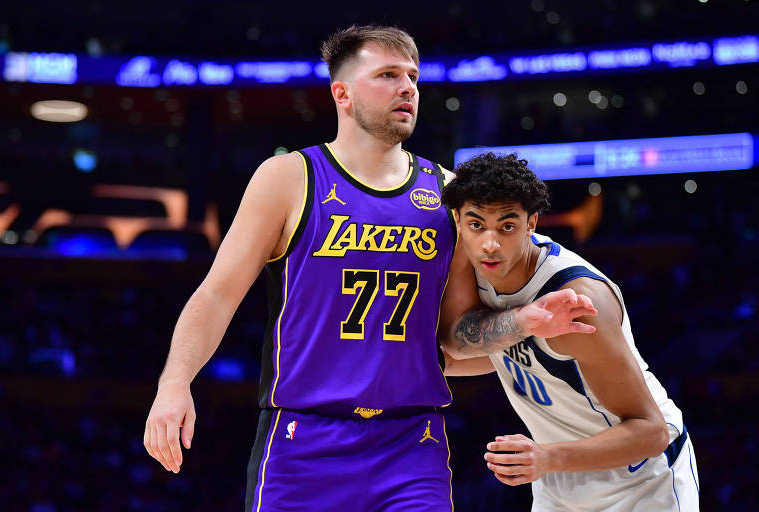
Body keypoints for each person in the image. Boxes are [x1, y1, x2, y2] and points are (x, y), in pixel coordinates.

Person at [142, 26, 597, 511]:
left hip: (411, 442)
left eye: (413, 77)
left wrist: (531, 327)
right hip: (304, 439)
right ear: (342, 93)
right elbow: (217, 294)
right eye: (387, 75)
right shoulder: (289, 179)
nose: (407, 88)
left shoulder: (448, 192)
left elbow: (456, 337)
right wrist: (174, 382)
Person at [440, 152, 699, 511]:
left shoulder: (575, 303)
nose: (490, 243)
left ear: (532, 223)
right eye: (477, 225)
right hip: (559, 474)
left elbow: (650, 431)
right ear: (458, 221)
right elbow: (462, 347)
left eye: (507, 226)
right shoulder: (472, 261)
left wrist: (546, 458)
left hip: (641, 476)